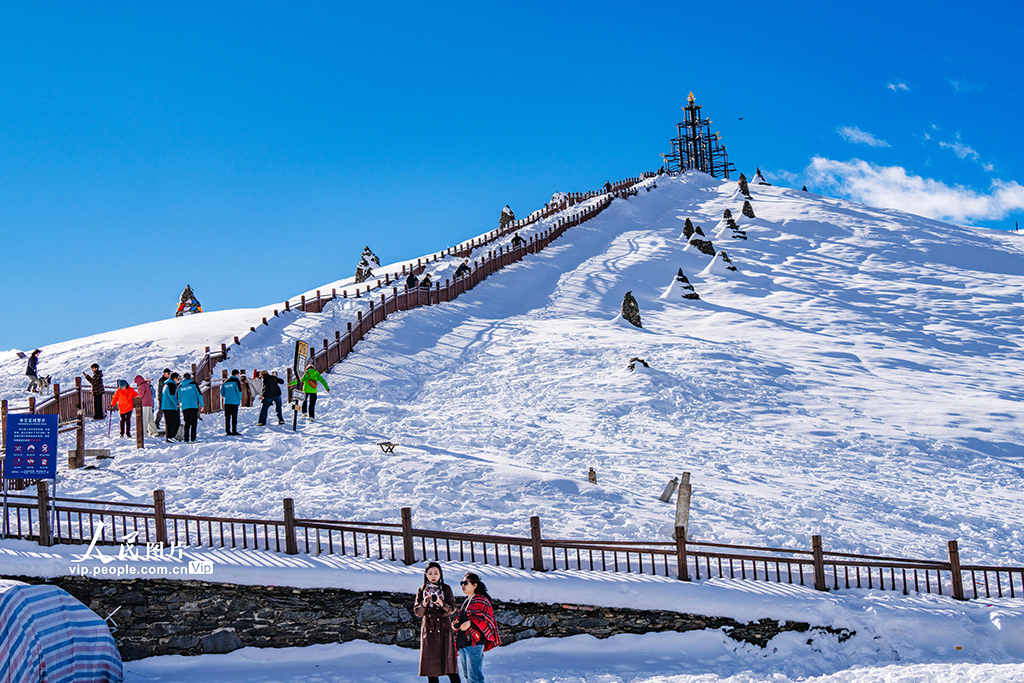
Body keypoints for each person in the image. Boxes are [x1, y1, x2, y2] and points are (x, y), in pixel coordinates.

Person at [413, 562, 460, 683]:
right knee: (431, 668)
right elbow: (418, 612)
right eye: (430, 573)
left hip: (444, 628)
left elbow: (452, 609)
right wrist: (424, 603)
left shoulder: (446, 589)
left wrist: (441, 603)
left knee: (450, 665)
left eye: (436, 573)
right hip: (429, 629)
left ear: (440, 574)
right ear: (426, 575)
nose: (433, 576)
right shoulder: (421, 590)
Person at [454, 572, 501, 683]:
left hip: (474, 643)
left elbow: (486, 621)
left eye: (466, 583)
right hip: (463, 642)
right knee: (467, 676)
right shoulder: (466, 601)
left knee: (474, 676)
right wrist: (457, 624)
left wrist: (470, 623)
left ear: (475, 585)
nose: (463, 585)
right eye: (461, 583)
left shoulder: (481, 600)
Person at [177, 372, 203, 443]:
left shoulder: (180, 386)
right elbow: (199, 395)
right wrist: (202, 405)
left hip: (185, 407)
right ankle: (193, 439)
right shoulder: (194, 384)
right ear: (190, 377)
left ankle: (186, 439)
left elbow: (178, 397)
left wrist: (180, 403)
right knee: (194, 423)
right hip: (193, 406)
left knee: (187, 423)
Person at [160, 372, 181, 443]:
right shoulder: (171, 385)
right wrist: (177, 404)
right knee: (176, 422)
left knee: (169, 423)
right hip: (170, 407)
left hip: (165, 406)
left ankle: (168, 437)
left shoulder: (166, 385)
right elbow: (172, 395)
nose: (178, 380)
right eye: (178, 378)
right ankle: (172, 436)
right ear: (174, 378)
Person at [220, 370, 243, 435]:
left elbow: (222, 392)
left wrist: (226, 396)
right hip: (234, 402)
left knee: (227, 417)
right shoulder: (236, 381)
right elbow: (239, 391)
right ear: (237, 374)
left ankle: (227, 431)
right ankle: (234, 430)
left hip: (227, 402)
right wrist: (239, 399)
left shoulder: (226, 382)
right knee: (234, 417)